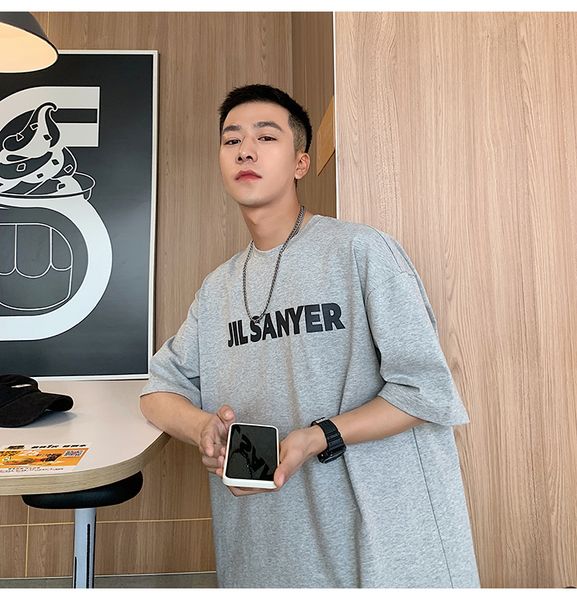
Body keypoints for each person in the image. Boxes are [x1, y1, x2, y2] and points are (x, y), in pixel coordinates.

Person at [140, 84, 480, 588]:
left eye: (265, 137)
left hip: (381, 547)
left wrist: (315, 437)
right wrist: (203, 429)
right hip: (269, 551)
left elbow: (425, 390)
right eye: (232, 140)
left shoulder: (362, 252)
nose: (245, 151)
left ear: (301, 163)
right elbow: (157, 391)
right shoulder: (217, 290)